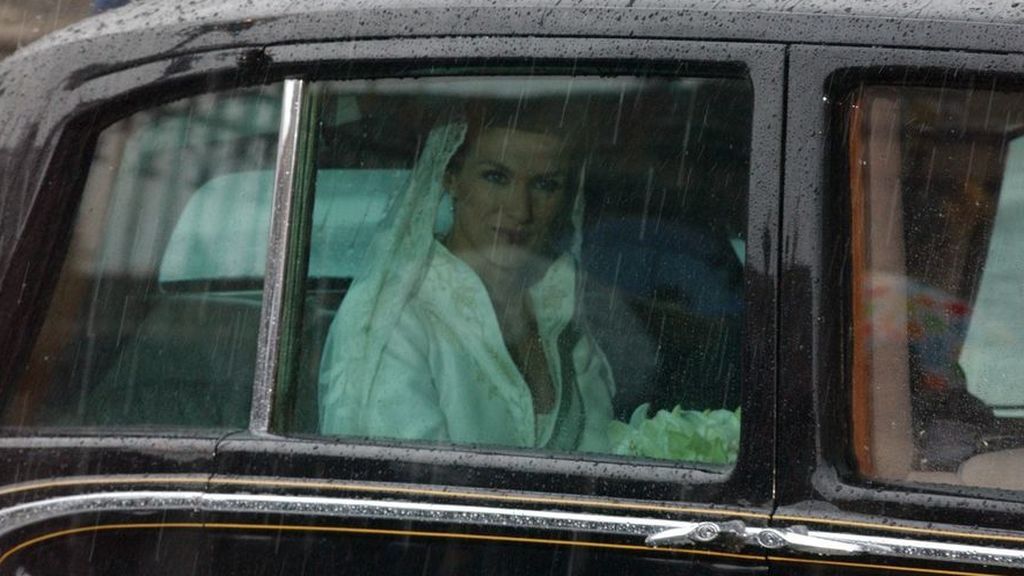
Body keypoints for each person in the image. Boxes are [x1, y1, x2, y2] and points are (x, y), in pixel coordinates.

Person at [318, 100, 615, 452]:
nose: (520, 209)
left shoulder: (559, 305)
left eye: (545, 185)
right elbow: (409, 487)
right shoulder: (394, 321)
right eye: (496, 177)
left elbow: (603, 454)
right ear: (451, 178)